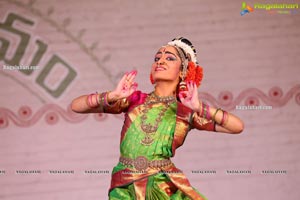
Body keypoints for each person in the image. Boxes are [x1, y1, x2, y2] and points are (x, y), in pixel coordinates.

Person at [71, 37, 244, 200]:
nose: (160, 61)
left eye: (169, 58)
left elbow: (237, 127)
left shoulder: (186, 111)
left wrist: (200, 108)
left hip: (161, 187)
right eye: (157, 58)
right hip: (123, 184)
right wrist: (113, 94)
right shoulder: (134, 100)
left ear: (183, 71)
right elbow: (76, 106)